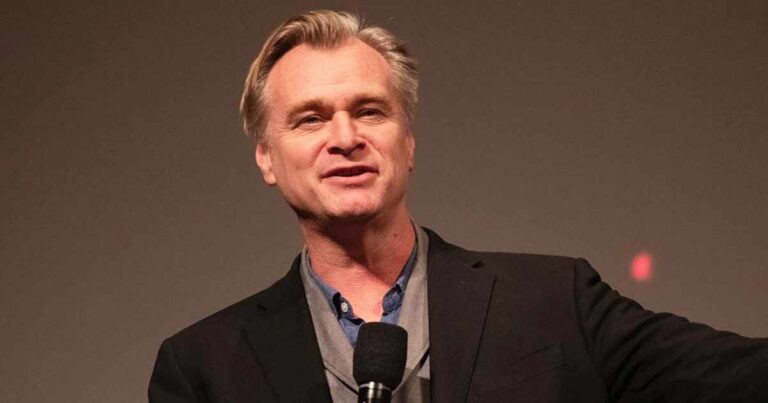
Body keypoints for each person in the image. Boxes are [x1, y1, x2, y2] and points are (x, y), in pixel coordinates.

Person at [149, 10, 768, 402]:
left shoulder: (557, 301)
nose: (345, 137)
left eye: (370, 111)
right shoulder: (202, 366)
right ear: (266, 158)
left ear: (408, 142)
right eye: (310, 119)